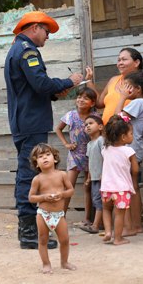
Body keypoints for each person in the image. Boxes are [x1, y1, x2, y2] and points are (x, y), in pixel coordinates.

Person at [4, 11, 83, 250]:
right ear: (35, 27)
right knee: (29, 174)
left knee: (27, 172)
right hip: (30, 122)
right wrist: (70, 81)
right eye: (47, 32)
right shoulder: (27, 51)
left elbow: (35, 88)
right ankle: (28, 233)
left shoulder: (17, 49)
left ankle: (29, 230)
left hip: (26, 121)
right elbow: (40, 83)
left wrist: (55, 92)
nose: (48, 37)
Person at [27, 143, 76, 274]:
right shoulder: (37, 179)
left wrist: (62, 194)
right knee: (43, 240)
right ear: (36, 163)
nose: (45, 158)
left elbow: (71, 190)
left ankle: (64, 262)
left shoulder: (62, 175)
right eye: (40, 156)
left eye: (48, 154)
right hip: (43, 214)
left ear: (54, 158)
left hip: (59, 215)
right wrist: (43, 197)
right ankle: (46, 264)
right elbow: (31, 198)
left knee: (64, 240)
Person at [114, 71, 143, 235]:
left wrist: (121, 98)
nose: (123, 89)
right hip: (135, 149)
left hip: (132, 150)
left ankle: (134, 226)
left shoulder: (138, 102)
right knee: (132, 187)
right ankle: (134, 224)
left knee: (131, 188)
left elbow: (117, 118)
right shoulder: (140, 103)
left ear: (137, 89)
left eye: (127, 86)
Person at [54, 86, 98, 223]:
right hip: (74, 155)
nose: (81, 100)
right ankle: (62, 216)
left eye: (86, 98)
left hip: (90, 156)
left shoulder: (95, 117)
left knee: (88, 187)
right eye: (79, 97)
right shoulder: (70, 115)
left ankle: (87, 218)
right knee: (69, 187)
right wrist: (66, 144)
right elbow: (58, 129)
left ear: (92, 103)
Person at [100, 114, 139, 245]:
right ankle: (118, 238)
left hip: (105, 187)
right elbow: (135, 170)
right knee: (119, 214)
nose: (132, 136)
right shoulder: (129, 151)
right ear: (123, 137)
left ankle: (107, 232)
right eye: (131, 133)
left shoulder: (105, 149)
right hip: (121, 189)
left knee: (106, 209)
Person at [96, 47, 143, 124]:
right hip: (107, 134)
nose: (120, 63)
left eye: (124, 59)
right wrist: (89, 81)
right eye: (119, 60)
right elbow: (99, 104)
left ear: (136, 63)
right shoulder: (113, 80)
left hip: (127, 134)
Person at [80, 114, 105, 234]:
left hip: (102, 177)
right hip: (94, 177)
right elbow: (90, 161)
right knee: (97, 200)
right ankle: (100, 224)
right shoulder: (90, 144)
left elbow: (106, 158)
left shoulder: (101, 141)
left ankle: (95, 225)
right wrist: (89, 177)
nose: (88, 126)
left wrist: (104, 174)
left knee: (99, 200)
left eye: (91, 123)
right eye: (86, 125)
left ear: (100, 127)